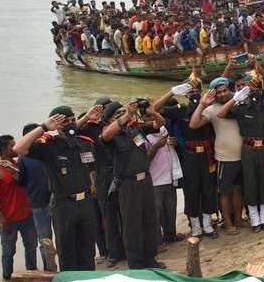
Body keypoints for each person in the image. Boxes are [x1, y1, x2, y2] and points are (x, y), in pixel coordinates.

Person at [13, 106, 99, 271]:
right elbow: (19, 149)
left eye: (73, 120)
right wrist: (44, 127)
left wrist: (87, 116)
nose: (71, 124)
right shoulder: (49, 146)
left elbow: (90, 168)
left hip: (86, 202)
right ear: (57, 125)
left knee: (88, 249)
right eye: (65, 122)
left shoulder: (84, 144)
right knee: (67, 251)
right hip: (64, 205)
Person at [100, 100, 166, 269]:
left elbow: (160, 124)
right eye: (118, 114)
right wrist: (127, 115)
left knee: (149, 220)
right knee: (132, 225)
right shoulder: (110, 135)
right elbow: (106, 136)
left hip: (145, 180)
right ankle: (136, 264)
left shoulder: (135, 129)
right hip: (127, 184)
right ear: (109, 120)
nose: (124, 115)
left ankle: (150, 259)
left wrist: (153, 112)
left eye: (124, 111)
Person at [153, 80, 218, 238]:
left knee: (208, 189)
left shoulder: (209, 107)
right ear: (186, 93)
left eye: (196, 89)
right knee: (191, 191)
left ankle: (208, 224)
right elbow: (154, 109)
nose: (193, 92)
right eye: (190, 89)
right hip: (189, 156)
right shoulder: (179, 109)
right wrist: (172, 91)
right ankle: (195, 226)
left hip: (207, 154)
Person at [217, 77, 264, 232]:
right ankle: (254, 218)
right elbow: (221, 113)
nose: (252, 90)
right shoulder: (240, 108)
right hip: (248, 150)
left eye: (254, 87)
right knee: (250, 183)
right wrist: (235, 98)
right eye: (248, 88)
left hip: (263, 149)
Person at [190, 77, 244, 235]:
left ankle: (239, 219)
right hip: (224, 157)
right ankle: (228, 223)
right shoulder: (212, 110)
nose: (222, 94)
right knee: (225, 191)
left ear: (229, 89)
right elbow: (193, 124)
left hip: (243, 154)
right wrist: (202, 104)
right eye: (218, 92)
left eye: (224, 90)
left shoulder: (238, 103)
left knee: (239, 189)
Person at [77, 98, 125, 267]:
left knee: (125, 212)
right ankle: (113, 252)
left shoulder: (118, 124)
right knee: (108, 215)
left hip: (120, 169)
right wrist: (87, 117)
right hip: (103, 173)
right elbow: (71, 132)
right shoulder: (91, 128)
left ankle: (127, 248)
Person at [0, 135, 38, 280]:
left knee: (31, 247)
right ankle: (7, 279)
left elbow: (28, 183)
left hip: (28, 216)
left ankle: (32, 276)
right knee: (8, 252)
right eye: (12, 145)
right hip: (8, 220)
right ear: (3, 149)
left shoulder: (20, 164)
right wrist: (2, 219)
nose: (16, 147)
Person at [17, 124, 55, 271]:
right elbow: (22, 181)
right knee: (45, 240)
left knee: (55, 237)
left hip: (54, 200)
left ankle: (58, 268)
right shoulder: (23, 157)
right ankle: (50, 269)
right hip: (39, 203)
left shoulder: (48, 150)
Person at [145, 123, 182, 247]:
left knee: (171, 210)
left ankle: (170, 235)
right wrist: (156, 146)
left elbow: (170, 149)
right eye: (149, 118)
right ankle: (157, 241)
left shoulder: (163, 130)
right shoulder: (144, 136)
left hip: (169, 178)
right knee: (155, 213)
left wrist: (172, 143)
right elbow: (145, 159)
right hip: (154, 181)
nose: (154, 121)